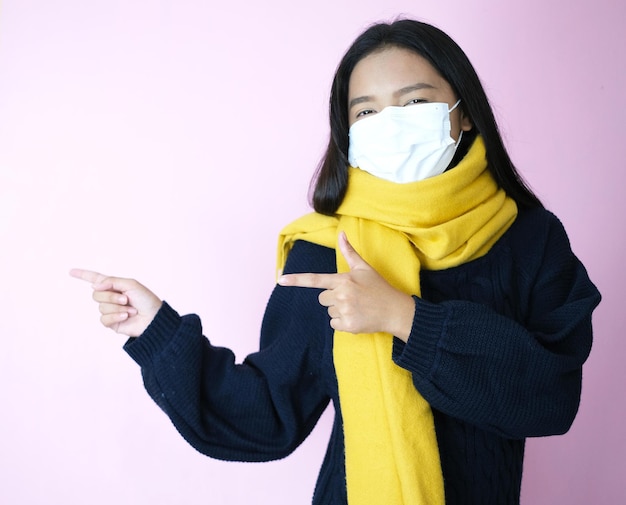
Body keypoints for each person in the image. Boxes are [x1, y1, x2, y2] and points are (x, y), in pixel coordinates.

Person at [70, 18, 601, 505]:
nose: (390, 124)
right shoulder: (326, 250)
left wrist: (404, 318)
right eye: (367, 111)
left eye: (414, 103)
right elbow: (266, 417)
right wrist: (157, 332)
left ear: (461, 112)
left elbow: (550, 398)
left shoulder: (529, 240)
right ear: (349, 132)